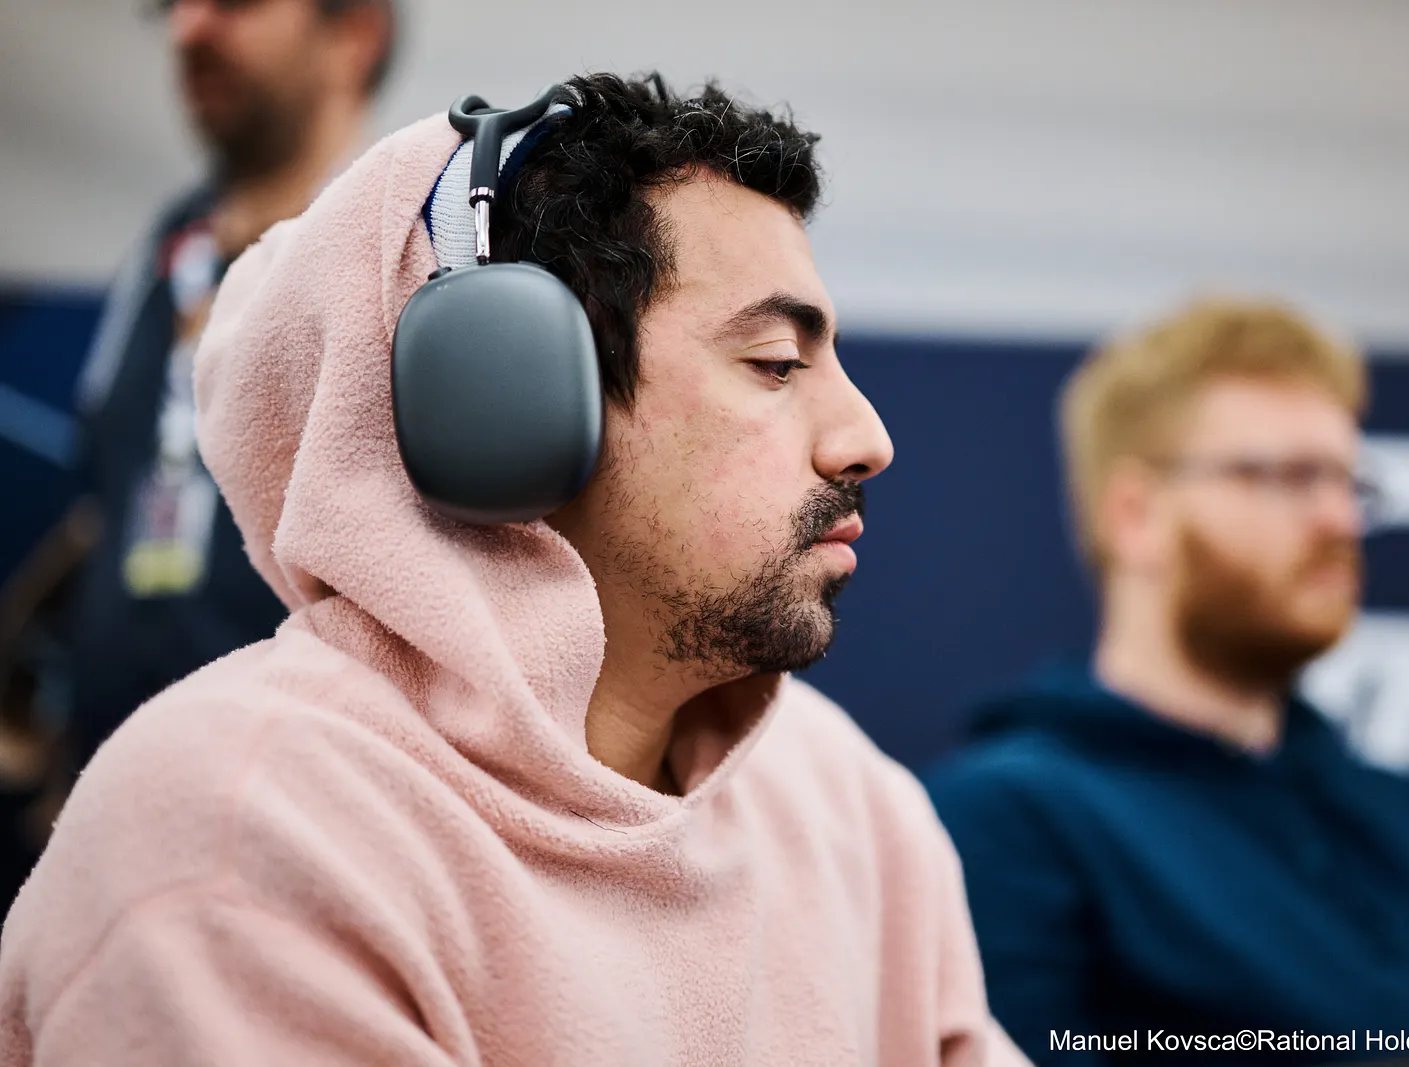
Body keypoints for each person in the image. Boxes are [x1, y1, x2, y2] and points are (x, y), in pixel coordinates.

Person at [0, 74, 1028, 1065]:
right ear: (507, 401)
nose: (868, 439)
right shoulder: (243, 832)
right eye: (775, 363)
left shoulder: (845, 802)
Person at [925, 298, 1409, 1064]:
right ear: (1136, 515)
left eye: (1348, 482)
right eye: (1290, 477)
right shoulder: (1006, 822)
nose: (1340, 519)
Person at [7, 0, 396, 788]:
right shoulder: (166, 249)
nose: (187, 30)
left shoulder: (397, 258)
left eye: (233, 4)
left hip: (304, 806)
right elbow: (108, 492)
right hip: (114, 790)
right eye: (175, 7)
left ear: (355, 33)